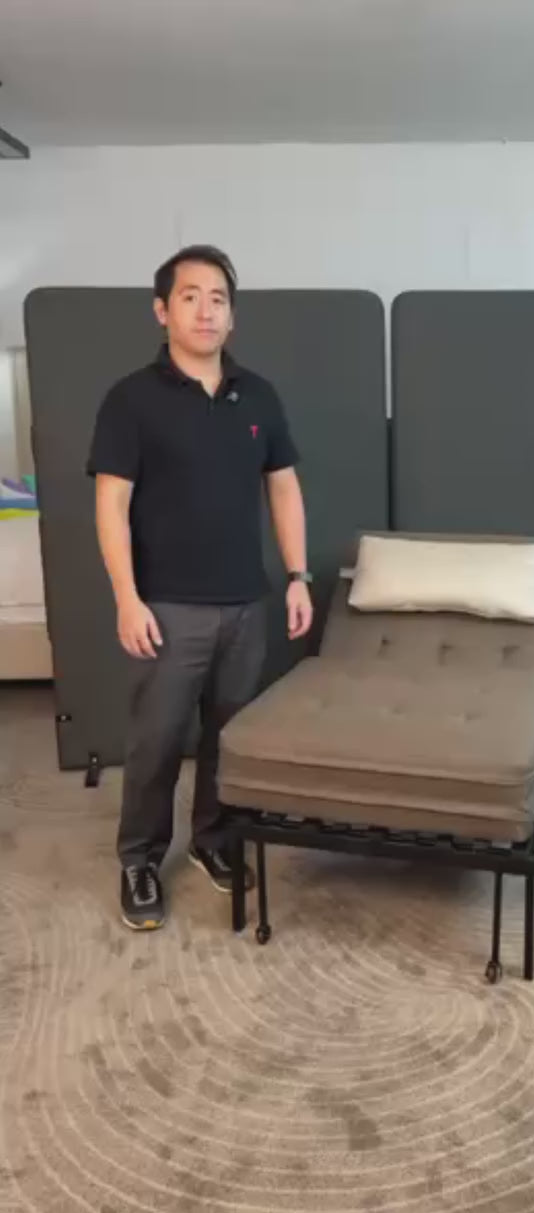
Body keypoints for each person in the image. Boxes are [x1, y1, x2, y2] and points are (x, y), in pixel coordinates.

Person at [87, 245, 313, 931]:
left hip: (245, 603)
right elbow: (111, 505)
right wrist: (126, 598)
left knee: (228, 737)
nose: (206, 310)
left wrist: (297, 576)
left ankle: (213, 841)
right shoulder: (131, 399)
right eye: (190, 297)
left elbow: (284, 488)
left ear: (231, 315)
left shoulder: (258, 394)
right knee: (156, 743)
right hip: (165, 608)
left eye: (218, 298)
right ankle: (139, 859)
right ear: (163, 310)